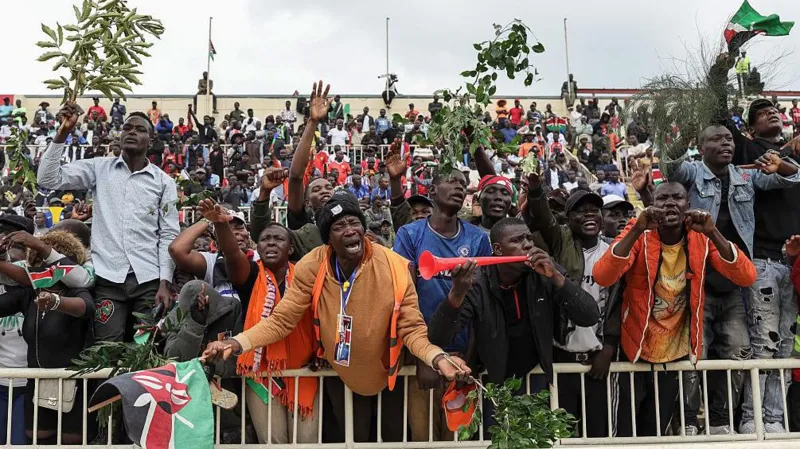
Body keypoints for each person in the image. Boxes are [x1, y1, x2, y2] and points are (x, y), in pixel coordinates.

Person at [202, 191, 469, 443]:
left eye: (354, 223)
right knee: (350, 440)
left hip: (387, 372)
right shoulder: (311, 265)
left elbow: (412, 329)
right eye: (339, 226)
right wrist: (236, 343)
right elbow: (282, 321)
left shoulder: (395, 267)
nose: (350, 230)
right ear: (328, 238)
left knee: (392, 439)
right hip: (339, 372)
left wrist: (437, 358)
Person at [593, 182, 757, 437]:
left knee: (656, 430)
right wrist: (637, 229)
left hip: (674, 353)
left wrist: (713, 232)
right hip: (634, 347)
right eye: (663, 198)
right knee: (625, 430)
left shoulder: (701, 236)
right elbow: (603, 275)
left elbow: (746, 276)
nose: (670, 203)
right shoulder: (638, 231)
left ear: (687, 205)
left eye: (677, 198)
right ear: (652, 204)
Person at [428, 217, 599, 421]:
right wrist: (456, 294)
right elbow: (437, 337)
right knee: (493, 434)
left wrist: (556, 277)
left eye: (529, 238)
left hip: (535, 375)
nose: (527, 245)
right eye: (517, 240)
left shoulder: (544, 271)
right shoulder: (477, 283)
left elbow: (590, 316)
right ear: (498, 249)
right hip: (491, 380)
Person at [710, 53, 800, 433]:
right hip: (761, 260)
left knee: (786, 344)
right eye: (762, 113)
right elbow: (717, 114)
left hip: (793, 264)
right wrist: (720, 71)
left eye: (774, 109)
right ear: (748, 129)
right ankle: (753, 417)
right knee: (764, 341)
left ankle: (775, 418)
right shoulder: (747, 152)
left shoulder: (793, 160)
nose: (771, 113)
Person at [37, 104, 179, 342]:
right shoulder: (99, 168)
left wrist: (165, 282)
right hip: (107, 279)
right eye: (127, 128)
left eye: (140, 129)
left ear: (151, 139)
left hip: (149, 281)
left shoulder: (164, 182)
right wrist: (63, 133)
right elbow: (47, 178)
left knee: (144, 350)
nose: (132, 132)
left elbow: (168, 234)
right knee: (105, 350)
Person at [198, 199, 319, 444]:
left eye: (278, 238)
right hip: (261, 376)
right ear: (258, 247)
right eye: (265, 239)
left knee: (306, 442)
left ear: (291, 249)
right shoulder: (251, 274)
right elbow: (233, 254)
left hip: (304, 371)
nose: (271, 243)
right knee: (273, 441)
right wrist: (221, 225)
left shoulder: (306, 275)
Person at [393, 168, 491, 442]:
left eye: (463, 183)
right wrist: (424, 358)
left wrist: (469, 360)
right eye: (452, 181)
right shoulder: (409, 235)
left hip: (463, 360)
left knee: (457, 440)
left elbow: (480, 307)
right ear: (433, 191)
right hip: (420, 357)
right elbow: (403, 298)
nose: (459, 186)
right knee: (423, 438)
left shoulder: (477, 239)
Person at [0, 231, 97, 444]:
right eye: (39, 261)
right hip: (37, 383)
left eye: (50, 259)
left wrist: (56, 302)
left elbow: (85, 308)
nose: (46, 266)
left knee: (72, 441)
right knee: (37, 439)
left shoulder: (78, 291)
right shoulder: (29, 294)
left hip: (75, 386)